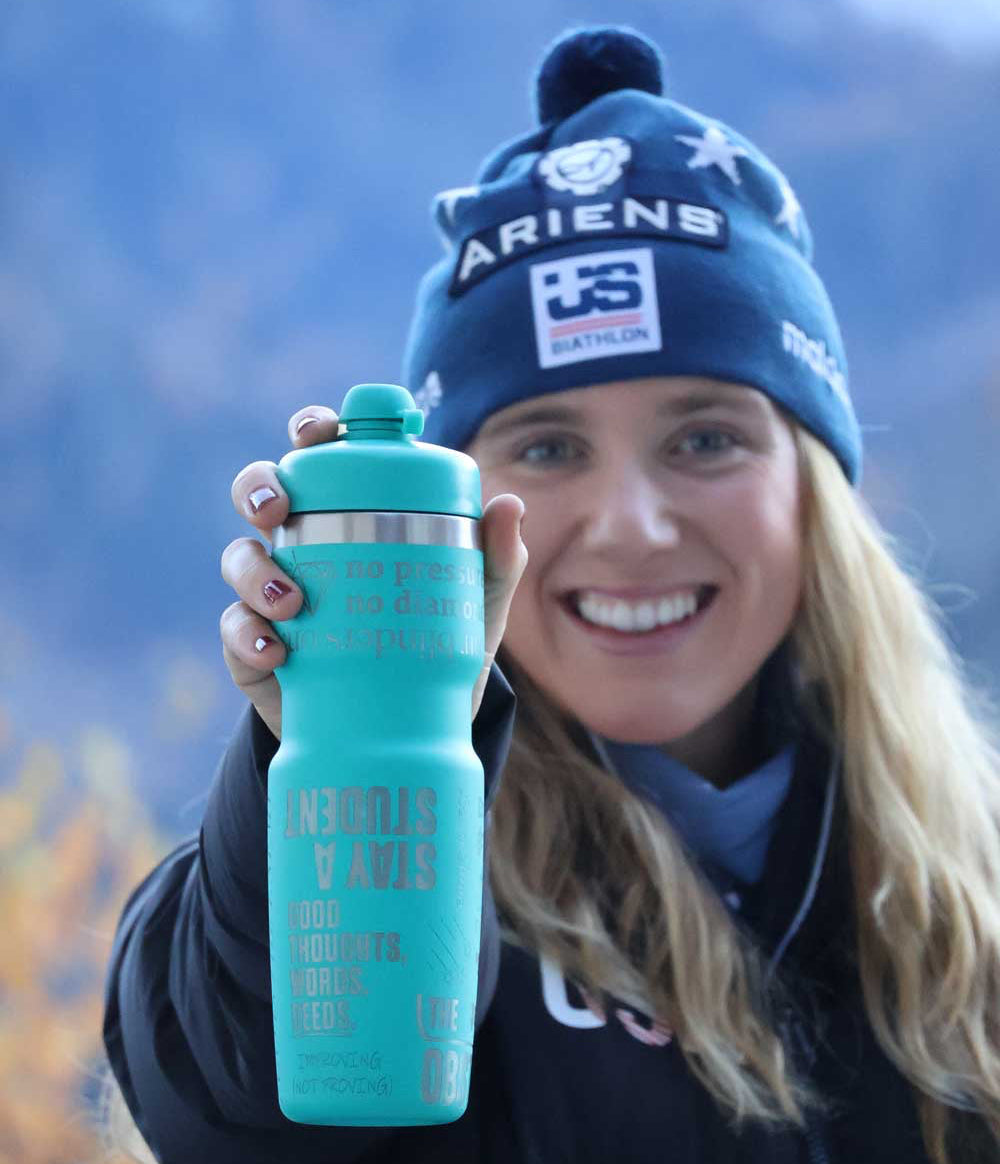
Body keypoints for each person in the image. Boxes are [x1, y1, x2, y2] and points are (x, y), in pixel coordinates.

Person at [99, 24, 1000, 1164]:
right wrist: (326, 763)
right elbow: (230, 1106)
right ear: (457, 528)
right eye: (547, 449)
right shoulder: (428, 869)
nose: (629, 524)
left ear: (812, 491)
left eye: (708, 437)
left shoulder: (969, 884)